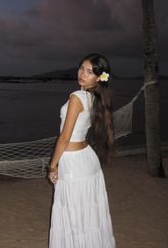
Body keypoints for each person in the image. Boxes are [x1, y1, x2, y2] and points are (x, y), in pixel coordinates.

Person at [47, 53, 116, 248]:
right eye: (81, 68)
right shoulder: (95, 97)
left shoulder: (77, 97)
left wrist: (52, 166)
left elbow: (64, 138)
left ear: (98, 77)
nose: (82, 74)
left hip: (74, 163)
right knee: (88, 213)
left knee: (74, 214)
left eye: (89, 71)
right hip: (87, 159)